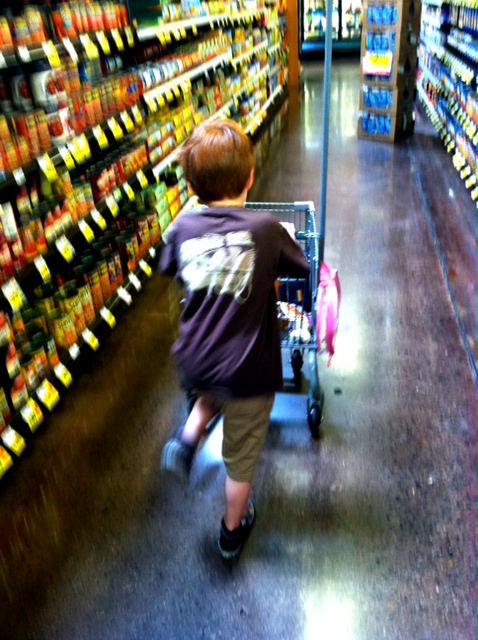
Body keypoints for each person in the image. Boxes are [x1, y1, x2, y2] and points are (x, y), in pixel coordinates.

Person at [159, 118, 310, 560]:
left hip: (197, 357)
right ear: (250, 177)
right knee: (241, 459)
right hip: (247, 370)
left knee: (209, 392)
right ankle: (231, 530)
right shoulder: (265, 229)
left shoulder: (183, 228)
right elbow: (300, 267)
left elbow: (170, 266)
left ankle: (187, 440)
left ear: (191, 187)